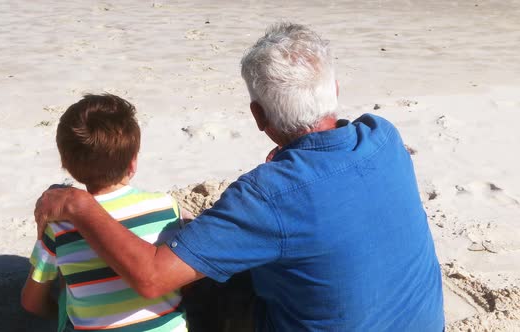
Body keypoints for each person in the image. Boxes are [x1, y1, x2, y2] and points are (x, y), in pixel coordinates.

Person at [34, 23, 444, 331]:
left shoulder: (267, 195)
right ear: (334, 88)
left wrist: (80, 205)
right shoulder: (384, 137)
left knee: (204, 281)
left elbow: (150, 277)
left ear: (258, 116)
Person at [22, 94, 188, 332]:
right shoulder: (167, 207)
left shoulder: (58, 226)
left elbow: (31, 302)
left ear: (66, 165)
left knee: (66, 294)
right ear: (133, 162)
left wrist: (58, 310)